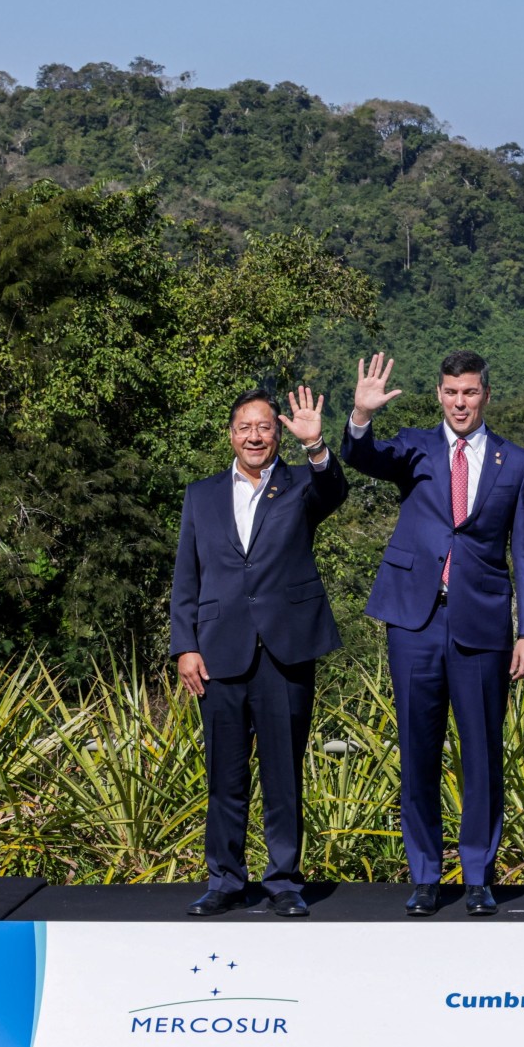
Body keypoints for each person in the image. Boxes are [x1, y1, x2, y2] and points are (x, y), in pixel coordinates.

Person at [342, 351, 524, 917]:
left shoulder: (516, 462)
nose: (461, 402)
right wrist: (361, 416)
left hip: (482, 624)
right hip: (415, 620)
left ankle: (478, 875)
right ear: (439, 394)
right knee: (418, 751)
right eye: (452, 392)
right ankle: (426, 875)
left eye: (470, 392)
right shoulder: (414, 446)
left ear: (486, 395)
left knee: (482, 753)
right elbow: (361, 455)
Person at [172, 387, 348, 917]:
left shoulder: (301, 485)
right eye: (245, 427)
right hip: (218, 650)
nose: (255, 436)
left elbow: (334, 489)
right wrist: (185, 646)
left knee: (283, 774)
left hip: (285, 648)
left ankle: (284, 881)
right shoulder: (201, 494)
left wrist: (315, 444)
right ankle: (224, 879)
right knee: (224, 775)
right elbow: (187, 575)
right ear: (231, 434)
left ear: (277, 434)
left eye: (265, 427)